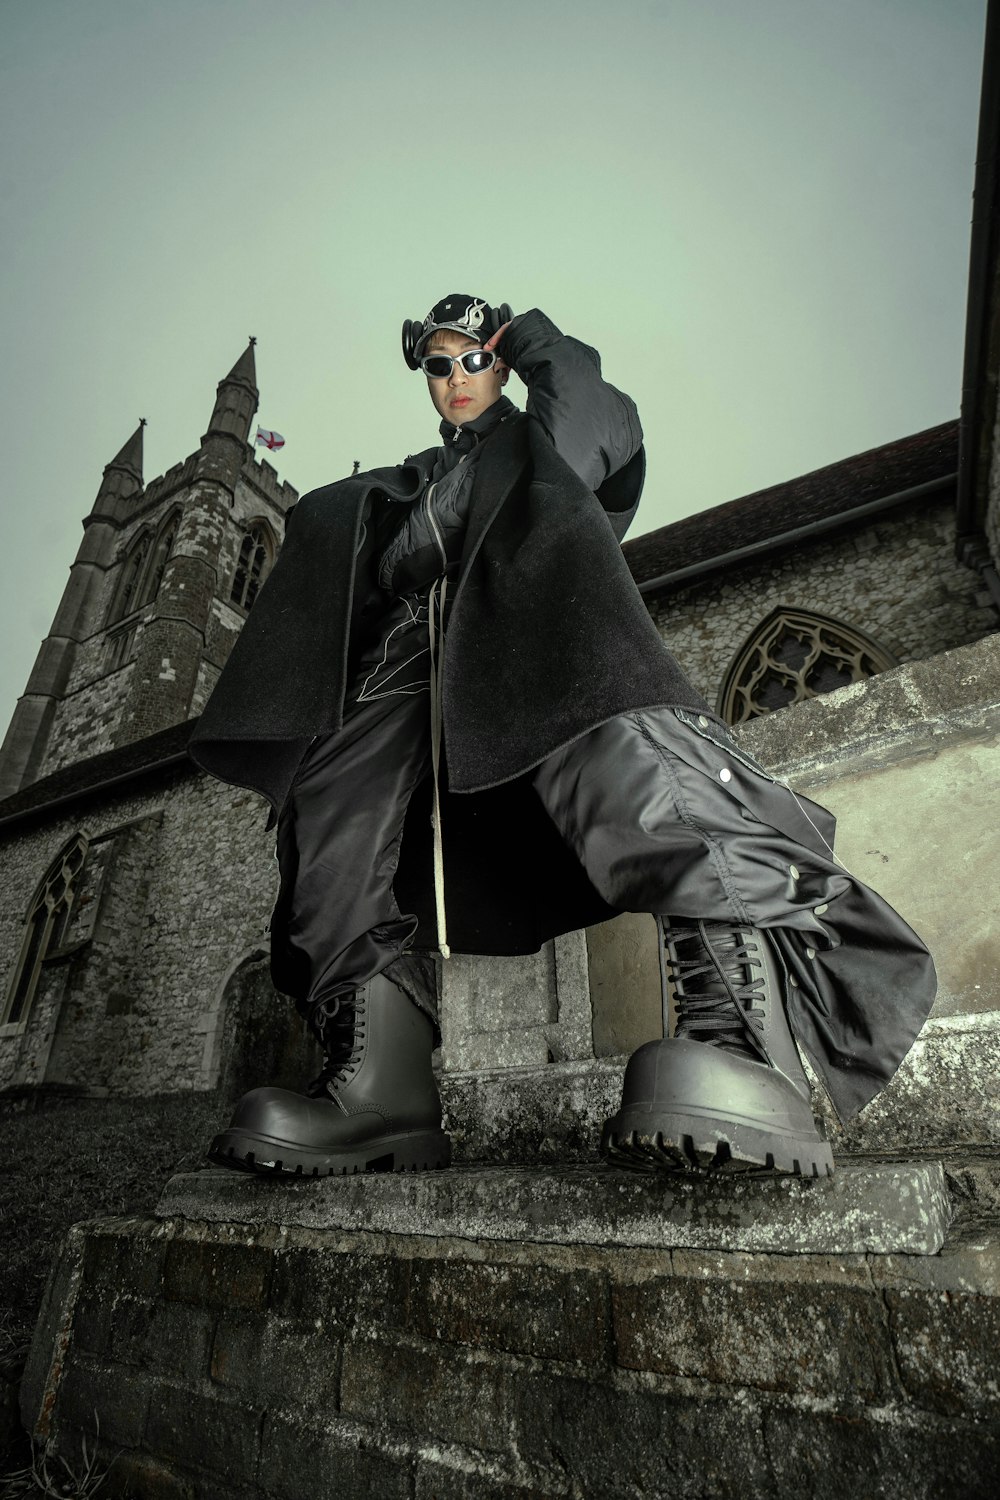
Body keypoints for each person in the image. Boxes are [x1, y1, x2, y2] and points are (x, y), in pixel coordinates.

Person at [190, 294, 936, 1181]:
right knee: (327, 820)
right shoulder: (409, 477)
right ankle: (378, 1092)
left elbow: (594, 424)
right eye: (438, 363)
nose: (458, 377)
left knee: (624, 760)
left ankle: (743, 1043)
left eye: (475, 357)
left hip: (529, 635)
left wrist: (533, 337)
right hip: (400, 678)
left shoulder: (544, 444)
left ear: (500, 362)